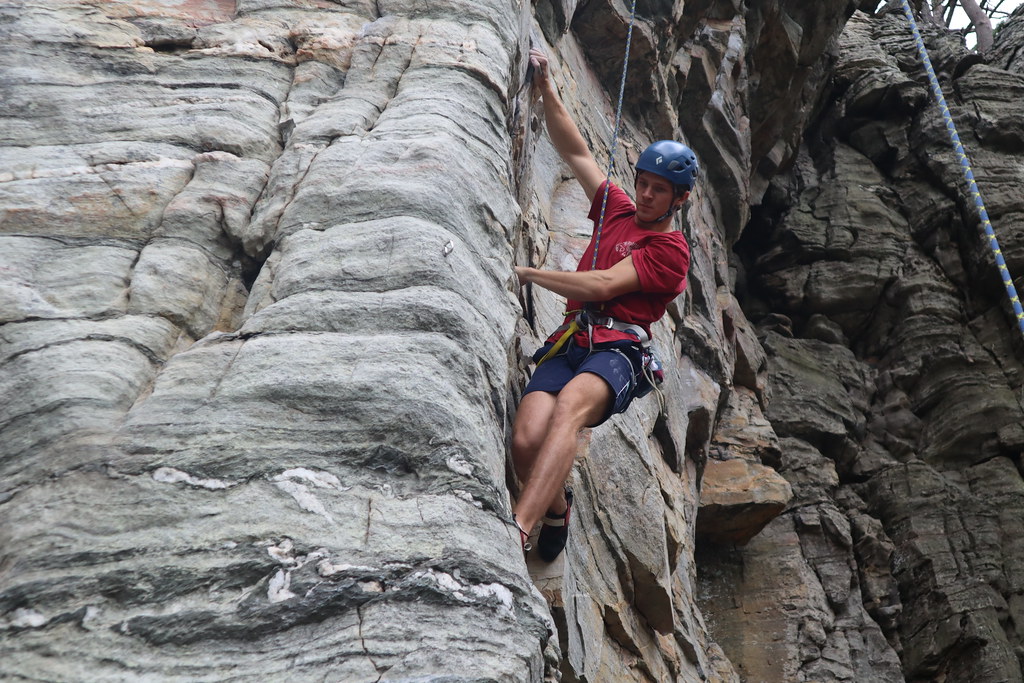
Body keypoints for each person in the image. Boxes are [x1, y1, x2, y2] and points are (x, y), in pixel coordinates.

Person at [510, 48, 697, 561]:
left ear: (680, 198)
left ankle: (518, 527)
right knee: (526, 439)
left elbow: (599, 286)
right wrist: (547, 88)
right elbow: (576, 154)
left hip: (618, 349)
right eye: (642, 183)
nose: (647, 195)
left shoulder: (669, 251)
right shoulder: (619, 207)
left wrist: (525, 273)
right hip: (572, 341)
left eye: (660, 190)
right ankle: (555, 508)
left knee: (569, 408)